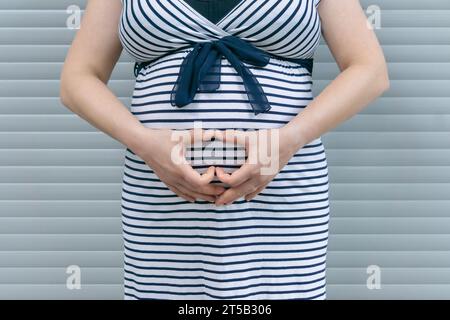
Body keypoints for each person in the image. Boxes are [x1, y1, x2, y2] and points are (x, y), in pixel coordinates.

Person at [60, 0, 389, 300]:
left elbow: (369, 70)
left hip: (282, 191)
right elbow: (77, 79)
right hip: (161, 196)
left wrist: (286, 143)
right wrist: (146, 145)